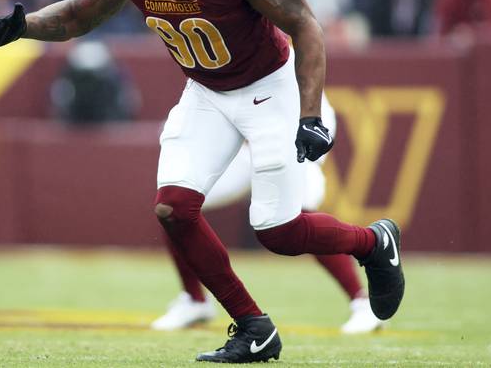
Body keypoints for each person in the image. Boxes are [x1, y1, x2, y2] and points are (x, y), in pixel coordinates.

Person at [0, 0, 404, 363]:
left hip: (270, 87)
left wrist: (310, 115)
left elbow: (305, 25)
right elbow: (81, 12)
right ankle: (253, 327)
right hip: (206, 92)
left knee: (278, 230)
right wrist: (22, 26)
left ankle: (372, 243)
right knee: (173, 209)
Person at [150, 94, 382, 334]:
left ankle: (362, 300)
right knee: (174, 206)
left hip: (292, 118)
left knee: (296, 217)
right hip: (241, 133)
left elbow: (304, 63)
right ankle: (194, 300)